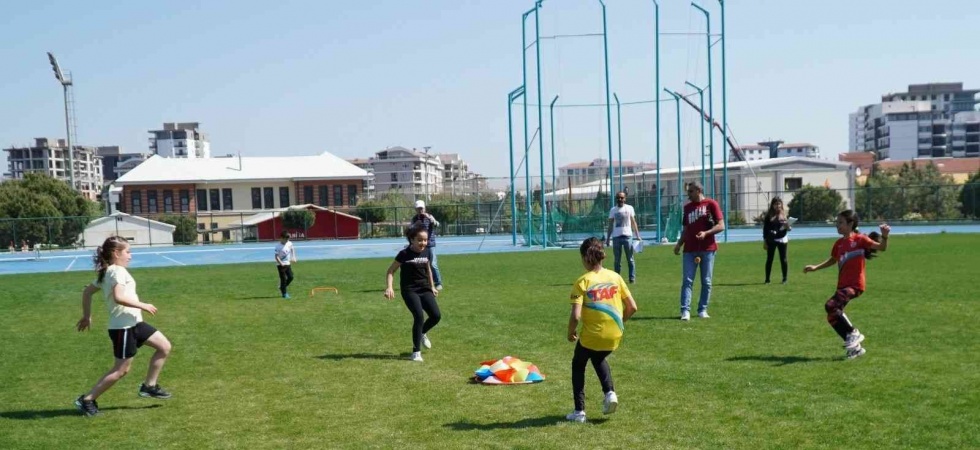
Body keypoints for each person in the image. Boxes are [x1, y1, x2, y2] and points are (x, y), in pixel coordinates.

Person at [74, 236, 173, 417]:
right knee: (121, 370)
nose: (130, 256)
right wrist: (143, 304)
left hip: (135, 323)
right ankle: (87, 399)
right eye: (128, 251)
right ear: (116, 253)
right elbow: (119, 297)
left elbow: (87, 291)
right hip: (123, 328)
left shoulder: (108, 272)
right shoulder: (116, 271)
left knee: (164, 346)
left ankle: (149, 386)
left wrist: (87, 316)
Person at [566, 237, 638, 423]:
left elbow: (576, 316)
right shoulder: (616, 277)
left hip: (592, 335)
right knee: (598, 357)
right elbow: (632, 307)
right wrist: (619, 323)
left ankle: (579, 411)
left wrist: (570, 332)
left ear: (585, 258)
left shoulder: (583, 281)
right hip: (615, 334)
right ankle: (610, 393)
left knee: (578, 365)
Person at [804, 210, 890, 359]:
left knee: (830, 305)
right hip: (842, 286)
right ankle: (855, 349)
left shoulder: (861, 240)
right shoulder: (838, 244)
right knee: (832, 316)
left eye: (841, 223)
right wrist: (815, 267)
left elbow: (882, 247)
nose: (838, 226)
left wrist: (885, 236)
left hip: (855, 285)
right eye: (837, 223)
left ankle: (853, 333)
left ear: (851, 224)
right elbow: (833, 260)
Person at [384, 225, 441, 362]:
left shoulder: (427, 252)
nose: (423, 243)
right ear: (412, 239)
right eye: (420, 240)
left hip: (425, 288)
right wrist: (389, 287)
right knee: (419, 317)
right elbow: (391, 271)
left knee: (436, 315)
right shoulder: (404, 254)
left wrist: (432, 286)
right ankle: (416, 352)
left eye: (425, 240)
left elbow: (428, 269)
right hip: (410, 290)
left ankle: (422, 333)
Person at [673, 180, 725, 320]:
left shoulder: (711, 204)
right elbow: (686, 229)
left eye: (690, 191)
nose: (688, 194)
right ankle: (685, 311)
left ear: (698, 191)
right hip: (689, 249)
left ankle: (702, 309)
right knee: (687, 281)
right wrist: (679, 244)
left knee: (706, 281)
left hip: (708, 249)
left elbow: (721, 226)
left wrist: (706, 233)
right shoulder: (687, 208)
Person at [605, 191, 642, 283]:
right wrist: (608, 238)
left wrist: (638, 236)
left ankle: (632, 278)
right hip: (616, 237)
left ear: (625, 199)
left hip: (627, 237)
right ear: (616, 199)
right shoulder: (613, 210)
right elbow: (610, 225)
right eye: (618, 198)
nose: (620, 199)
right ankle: (617, 279)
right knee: (617, 260)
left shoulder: (629, 208)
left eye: (622, 198)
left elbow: (633, 222)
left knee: (630, 259)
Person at [410, 200, 443, 291]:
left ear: (424, 208)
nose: (420, 210)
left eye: (421, 208)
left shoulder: (429, 217)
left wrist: (432, 220)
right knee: (420, 263)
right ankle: (423, 282)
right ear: (416, 209)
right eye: (418, 209)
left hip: (430, 244)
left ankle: (438, 283)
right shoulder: (414, 219)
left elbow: (437, 224)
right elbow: (411, 230)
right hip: (419, 245)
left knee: (433, 264)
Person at [762, 197, 791, 284]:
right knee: (770, 259)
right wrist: (765, 241)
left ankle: (784, 278)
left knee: (784, 259)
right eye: (775, 204)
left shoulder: (784, 215)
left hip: (782, 239)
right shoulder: (769, 216)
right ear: (772, 205)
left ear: (781, 204)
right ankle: (767, 279)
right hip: (771, 240)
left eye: (779, 204)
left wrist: (788, 226)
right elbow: (765, 230)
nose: (777, 206)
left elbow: (789, 228)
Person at [274, 231, 297, 299]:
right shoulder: (278, 246)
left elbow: (292, 249)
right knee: (283, 279)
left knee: (291, 277)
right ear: (281, 238)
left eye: (288, 239)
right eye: (286, 239)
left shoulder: (289, 243)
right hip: (280, 265)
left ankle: (282, 287)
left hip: (288, 264)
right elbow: (276, 257)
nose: (287, 241)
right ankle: (284, 294)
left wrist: (294, 257)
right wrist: (281, 263)